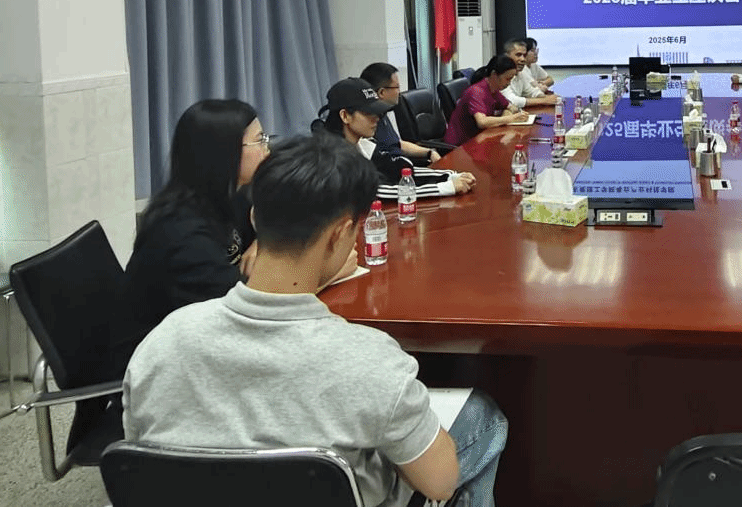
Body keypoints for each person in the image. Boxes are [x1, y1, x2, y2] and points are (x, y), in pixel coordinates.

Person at [123, 134, 509, 507]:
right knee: (483, 419)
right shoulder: (372, 361)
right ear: (341, 235)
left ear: (255, 217)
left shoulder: (162, 343)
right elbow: (439, 482)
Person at [125, 99, 270, 341]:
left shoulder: (225, 195)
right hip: (158, 352)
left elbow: (267, 221)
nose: (268, 149)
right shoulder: (183, 235)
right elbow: (240, 313)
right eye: (259, 140)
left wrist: (260, 242)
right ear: (226, 153)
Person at [320, 77, 474, 198]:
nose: (377, 118)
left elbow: (400, 171)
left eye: (377, 112)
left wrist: (449, 176)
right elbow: (380, 191)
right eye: (368, 113)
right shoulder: (332, 156)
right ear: (345, 116)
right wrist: (447, 187)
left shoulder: (363, 145)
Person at [359, 62, 443, 164]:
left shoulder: (383, 113)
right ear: (381, 92)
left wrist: (429, 152)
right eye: (397, 87)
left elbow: (397, 144)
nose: (399, 92)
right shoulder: (368, 122)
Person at [443, 54, 531, 146]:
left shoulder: (494, 90)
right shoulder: (477, 91)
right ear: (494, 74)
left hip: (480, 138)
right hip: (461, 145)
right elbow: (482, 122)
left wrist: (508, 115)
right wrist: (511, 118)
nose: (509, 83)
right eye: (507, 79)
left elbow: (510, 107)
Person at [501, 38, 556, 109]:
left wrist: (549, 98)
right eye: (518, 55)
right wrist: (544, 100)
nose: (523, 59)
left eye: (524, 55)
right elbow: (511, 100)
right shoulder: (500, 74)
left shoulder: (520, 73)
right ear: (507, 56)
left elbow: (531, 91)